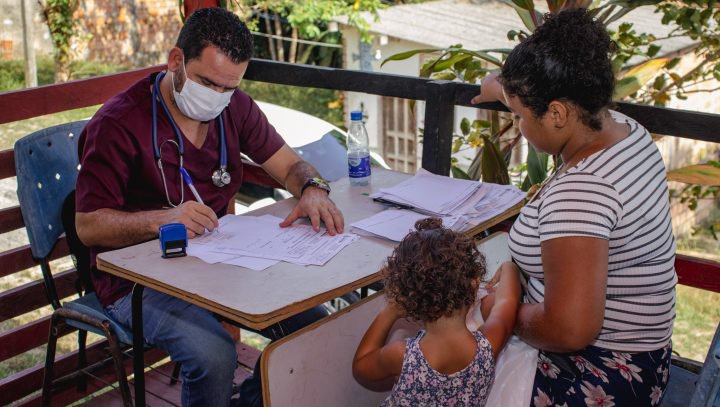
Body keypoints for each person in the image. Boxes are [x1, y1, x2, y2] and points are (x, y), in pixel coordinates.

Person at [75, 8, 343, 407]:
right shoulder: (118, 124)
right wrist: (163, 219)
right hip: (137, 282)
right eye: (206, 82)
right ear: (175, 61)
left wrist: (313, 188)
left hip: (216, 265)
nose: (216, 97)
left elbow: (290, 165)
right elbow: (88, 227)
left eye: (228, 87)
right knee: (214, 355)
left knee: (314, 330)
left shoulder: (234, 107)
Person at [473, 8, 677, 406]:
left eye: (519, 116)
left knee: (441, 375)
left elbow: (569, 330)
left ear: (557, 113)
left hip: (603, 370)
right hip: (650, 354)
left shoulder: (582, 193)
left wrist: (498, 308)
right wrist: (498, 87)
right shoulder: (620, 127)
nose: (518, 126)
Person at [352, 218, 521, 406]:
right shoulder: (490, 342)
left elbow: (361, 366)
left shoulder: (402, 355)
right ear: (473, 283)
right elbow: (508, 300)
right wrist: (509, 266)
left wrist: (390, 312)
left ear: (409, 299)